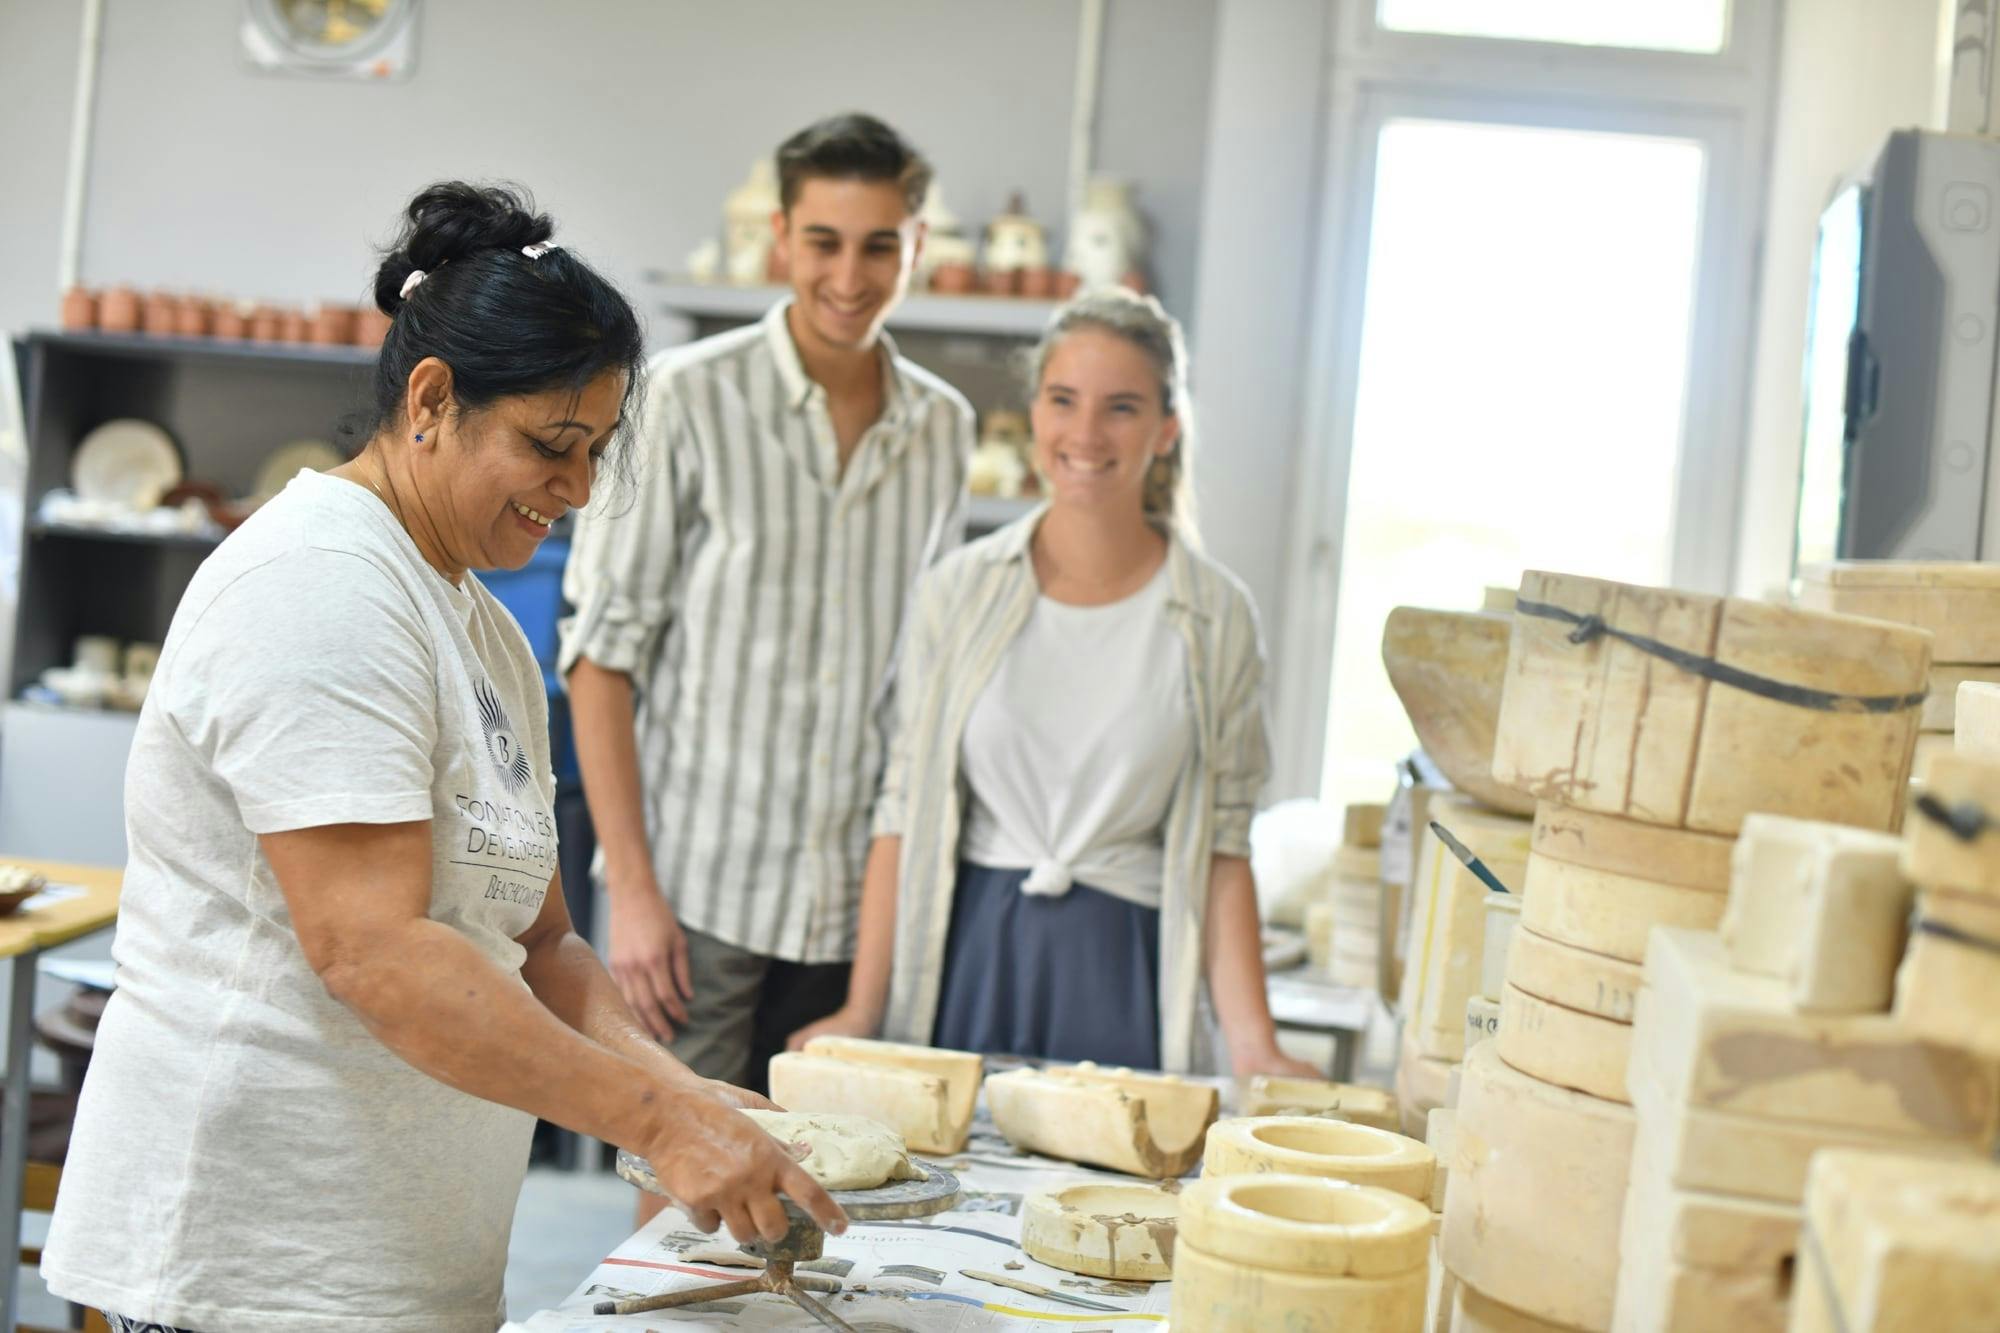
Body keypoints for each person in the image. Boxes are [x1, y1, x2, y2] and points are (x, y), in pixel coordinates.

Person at [41, 182, 843, 1333]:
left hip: (394, 1267)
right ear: (430, 399)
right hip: (250, 1263)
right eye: (550, 445)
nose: (578, 488)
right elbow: (375, 953)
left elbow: (540, 942)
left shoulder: (480, 624)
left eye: (596, 450)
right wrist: (657, 1125)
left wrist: (679, 1090)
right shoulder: (318, 587)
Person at [790, 288, 1320, 1079]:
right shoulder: (957, 592)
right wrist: (863, 1010)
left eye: (1121, 407)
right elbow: (903, 810)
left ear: (1166, 428)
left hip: (1127, 969)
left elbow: (1222, 843)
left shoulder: (1217, 616)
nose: (1085, 433)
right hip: (971, 958)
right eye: (1063, 400)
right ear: (1034, 411)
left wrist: (1254, 1044)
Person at [561, 113, 974, 1104]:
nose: (849, 276)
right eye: (824, 242)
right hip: (696, 903)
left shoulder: (944, 431)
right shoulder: (683, 400)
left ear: (917, 244)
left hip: (850, 918)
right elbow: (601, 659)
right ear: (781, 237)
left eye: (880, 246)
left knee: (834, 1184)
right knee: (679, 1187)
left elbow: (920, 690)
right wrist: (634, 894)